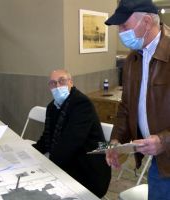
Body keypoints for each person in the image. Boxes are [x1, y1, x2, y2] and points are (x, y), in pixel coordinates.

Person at [105, 0, 170, 199]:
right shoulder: (133, 59)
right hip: (161, 164)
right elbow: (126, 107)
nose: (120, 32)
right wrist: (116, 141)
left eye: (124, 26)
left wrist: (164, 140)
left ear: (147, 22)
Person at [32, 69, 111, 198]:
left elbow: (70, 143)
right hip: (67, 163)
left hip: (88, 170)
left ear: (71, 82)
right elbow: (47, 138)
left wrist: (45, 165)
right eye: (53, 83)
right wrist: (31, 153)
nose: (57, 86)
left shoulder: (82, 104)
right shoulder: (52, 107)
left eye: (62, 81)